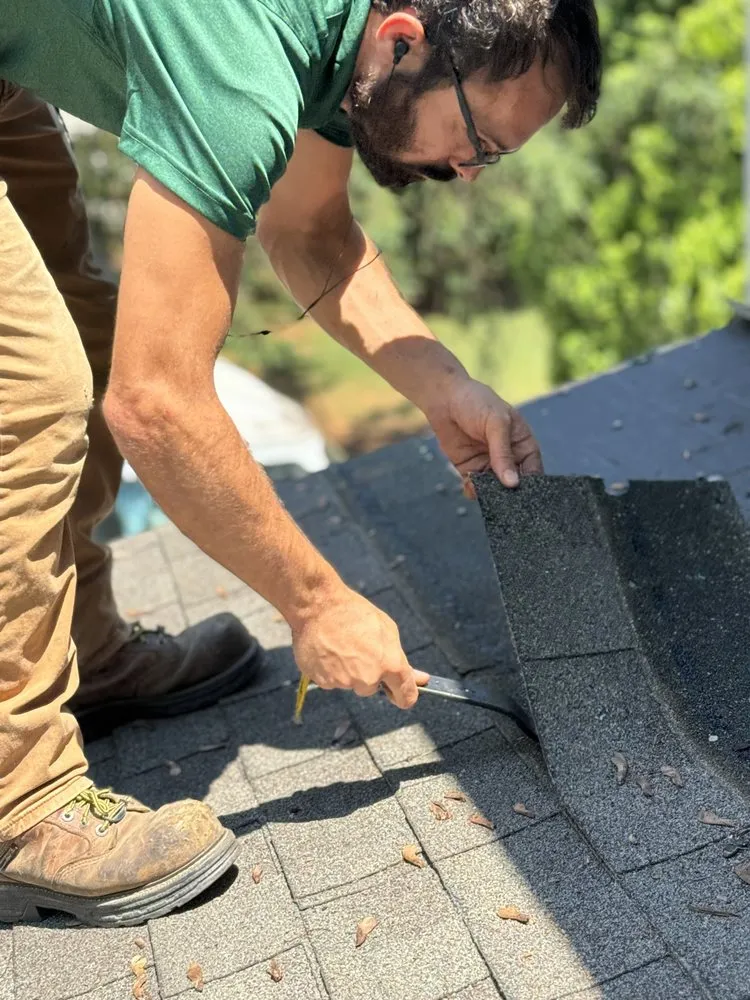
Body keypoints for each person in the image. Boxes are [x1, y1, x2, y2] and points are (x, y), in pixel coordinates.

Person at [0, 0, 601, 925]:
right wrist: (315, 604)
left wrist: (445, 386)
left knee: (87, 330)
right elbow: (156, 405)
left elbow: (312, 231)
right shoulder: (243, 63)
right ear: (403, 40)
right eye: (477, 141)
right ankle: (23, 800)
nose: (467, 175)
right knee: (30, 389)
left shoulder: (356, 50)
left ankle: (80, 647)